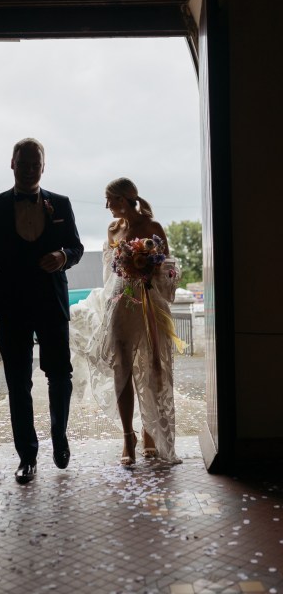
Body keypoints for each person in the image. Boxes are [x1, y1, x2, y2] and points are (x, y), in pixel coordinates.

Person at [0, 138, 84, 484]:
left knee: (60, 375)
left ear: (42, 167)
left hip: (51, 302)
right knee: (17, 382)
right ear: (12, 163)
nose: (28, 169)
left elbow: (77, 247)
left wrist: (63, 257)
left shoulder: (61, 204)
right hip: (11, 304)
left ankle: (59, 435)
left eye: (35, 164)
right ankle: (27, 456)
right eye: (23, 163)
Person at [70, 177, 183, 466]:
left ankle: (149, 430)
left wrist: (149, 272)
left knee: (152, 366)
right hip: (122, 302)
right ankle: (127, 436)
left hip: (150, 302)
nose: (106, 206)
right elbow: (112, 274)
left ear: (122, 199)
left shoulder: (153, 227)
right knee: (123, 368)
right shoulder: (113, 230)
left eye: (109, 200)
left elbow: (167, 268)